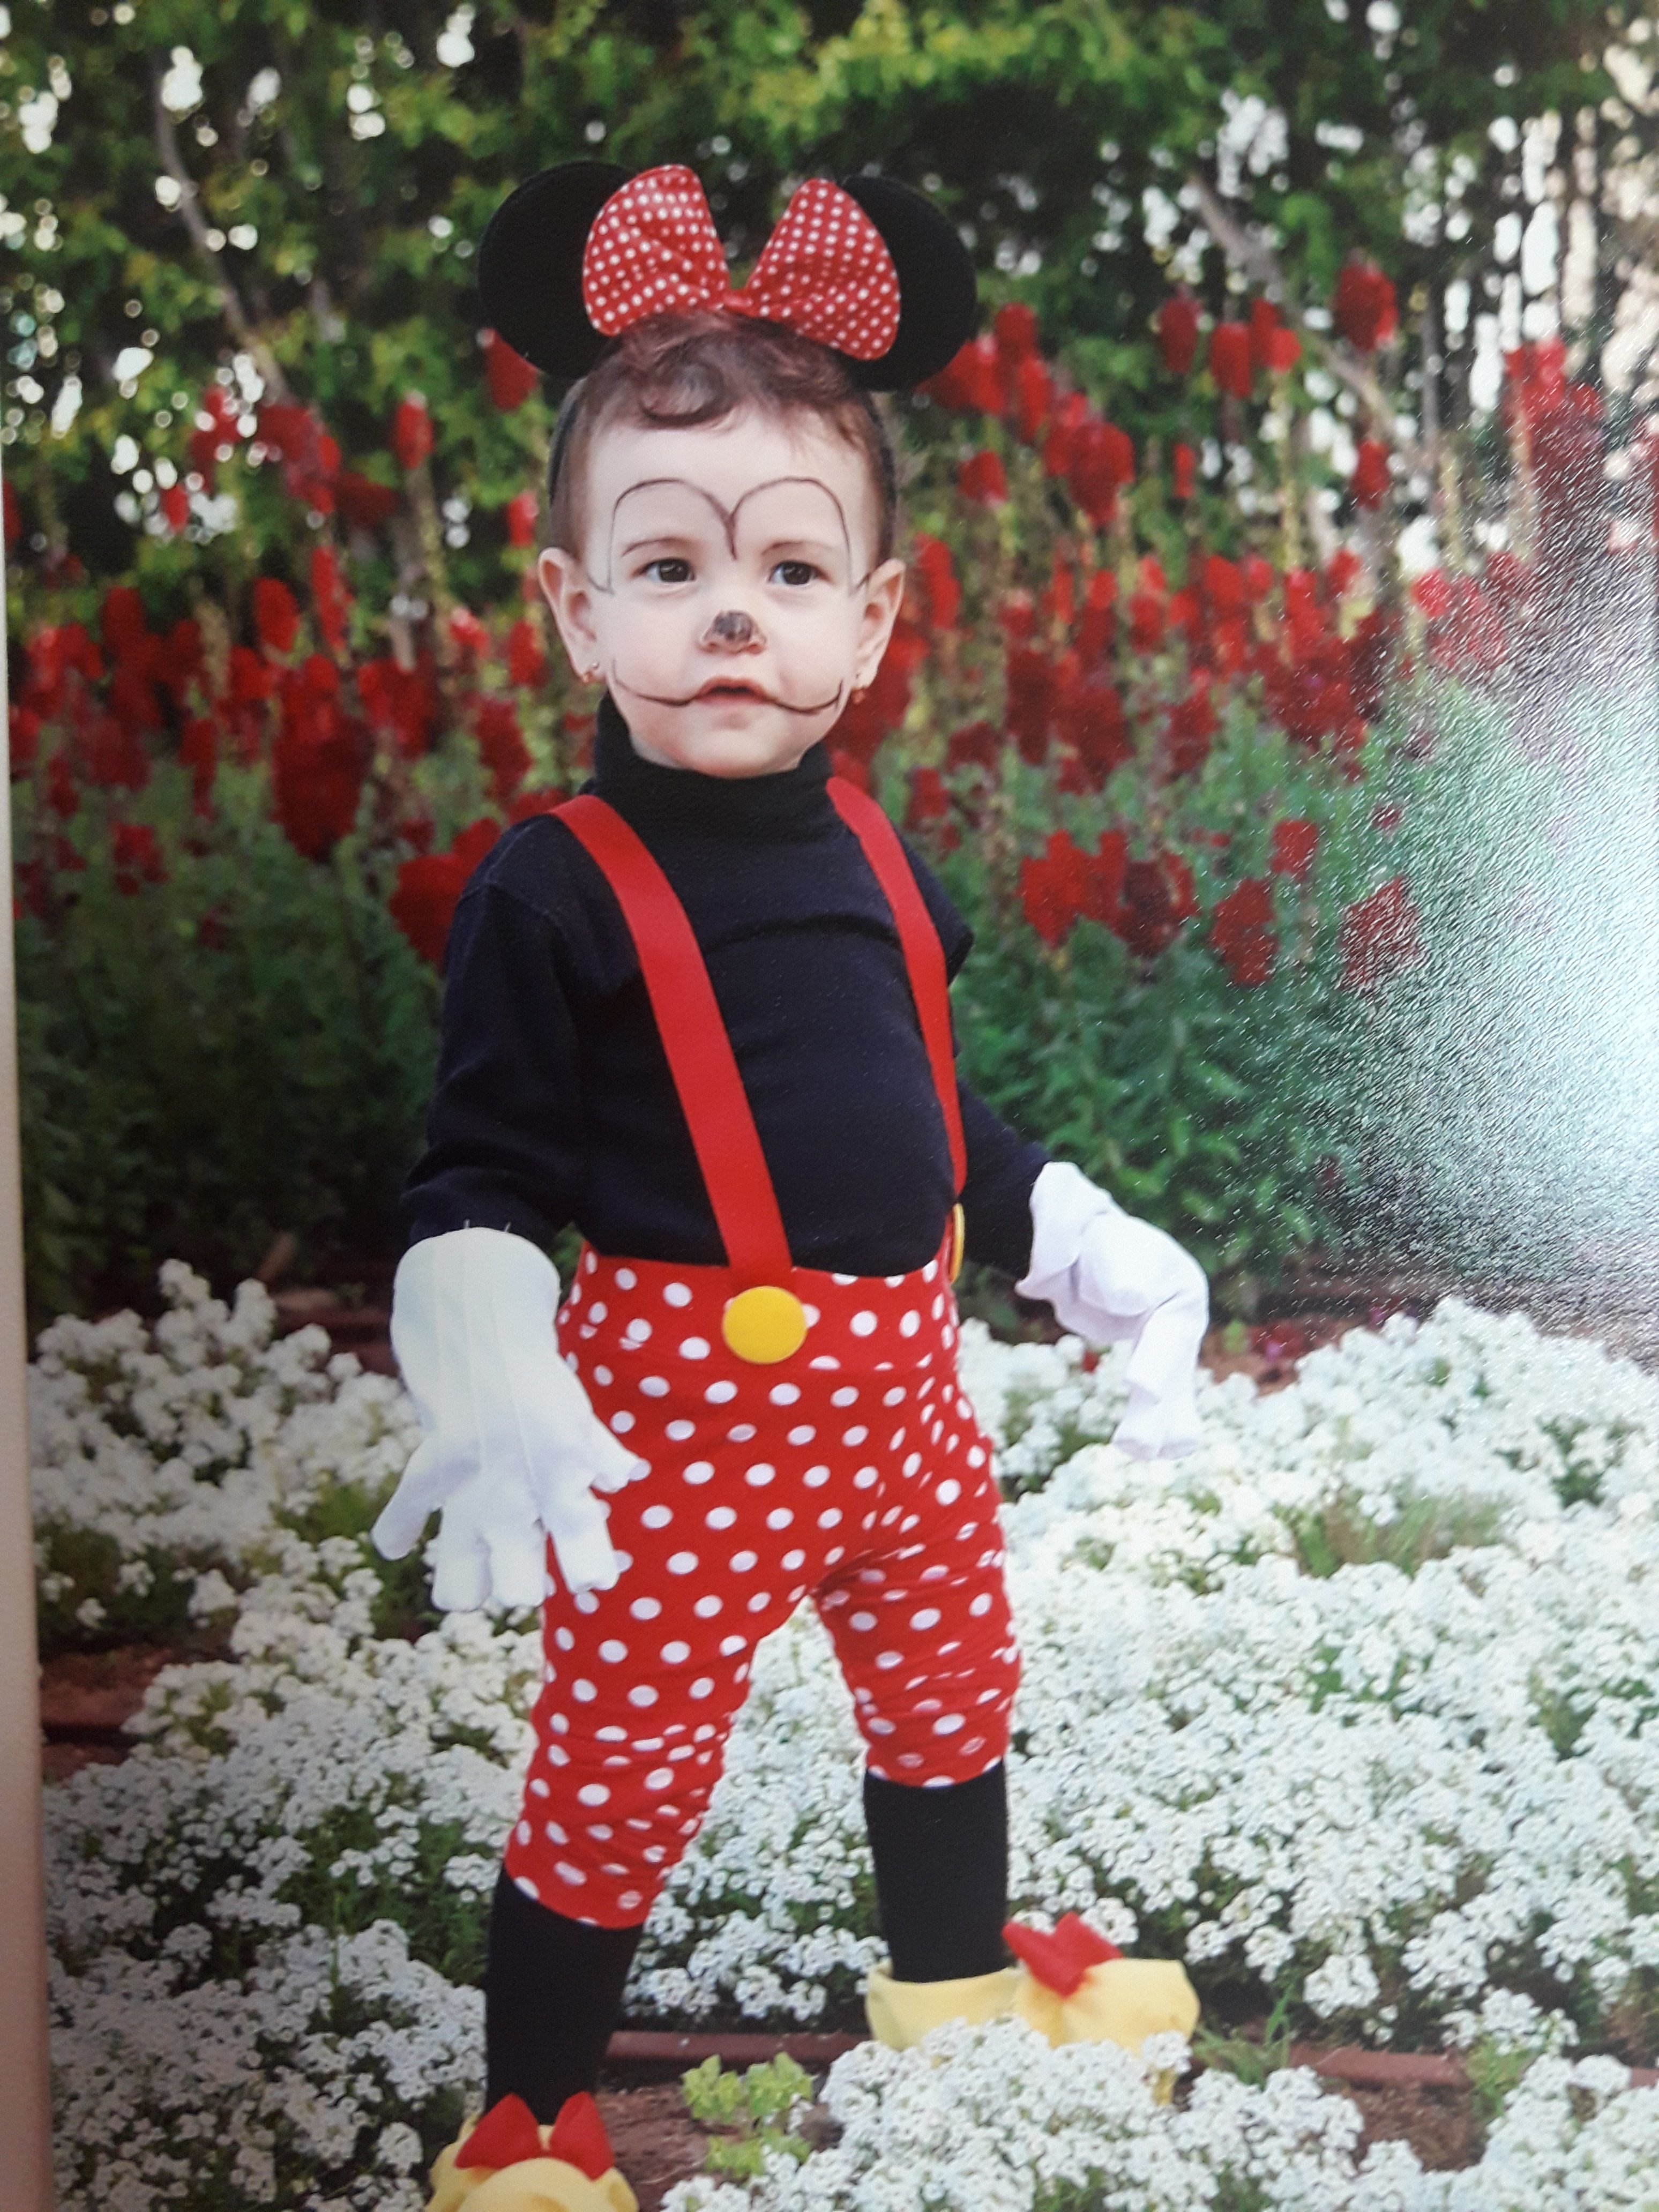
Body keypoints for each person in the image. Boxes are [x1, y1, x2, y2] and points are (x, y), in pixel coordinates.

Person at [373, 160, 1207, 2210]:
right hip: (680, 1427)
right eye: (668, 564)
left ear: (873, 617)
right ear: (576, 607)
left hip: (905, 1405)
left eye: (788, 566)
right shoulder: (557, 889)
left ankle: (958, 2001)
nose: (732, 611)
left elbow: (928, 1111)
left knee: (950, 1700)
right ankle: (535, 2122)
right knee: (620, 1766)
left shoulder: (880, 858)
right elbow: (483, 1168)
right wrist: (481, 1332)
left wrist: (1072, 1230)